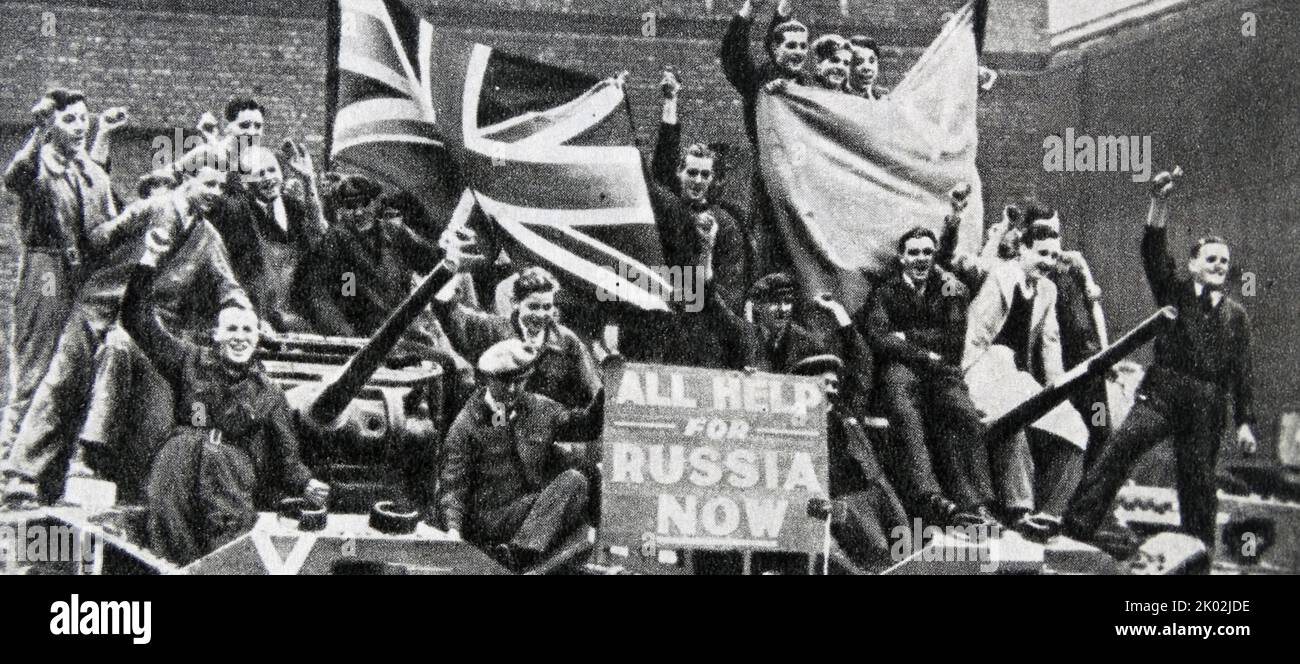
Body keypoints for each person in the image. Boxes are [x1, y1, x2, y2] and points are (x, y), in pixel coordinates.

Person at [2, 166, 250, 505]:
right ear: (188, 179)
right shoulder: (153, 208)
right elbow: (100, 238)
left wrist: (241, 312)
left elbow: (229, 286)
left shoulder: (208, 237)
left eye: (221, 186)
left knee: (123, 365)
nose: (215, 192)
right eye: (209, 183)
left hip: (147, 325)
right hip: (99, 307)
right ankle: (22, 476)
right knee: (61, 383)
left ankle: (88, 467)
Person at [1065, 169, 1258, 556]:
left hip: (1207, 404)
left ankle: (1196, 554)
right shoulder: (1175, 290)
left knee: (1199, 481)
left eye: (1224, 260)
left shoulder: (1237, 316)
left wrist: (1245, 423)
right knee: (1120, 449)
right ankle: (1076, 529)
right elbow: (1152, 251)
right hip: (1163, 392)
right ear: (1192, 264)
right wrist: (1159, 201)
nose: (1219, 265)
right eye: (1211, 258)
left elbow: (1242, 374)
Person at [121, 225, 328, 565]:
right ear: (216, 334)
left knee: (227, 554)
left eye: (247, 330)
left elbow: (287, 457)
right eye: (231, 328)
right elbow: (137, 319)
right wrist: (150, 259)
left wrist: (307, 484)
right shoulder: (188, 360)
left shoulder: (270, 393)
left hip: (229, 472)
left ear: (257, 337)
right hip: (179, 462)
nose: (239, 337)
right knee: (167, 548)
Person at [0, 90, 125, 461]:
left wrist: (103, 132)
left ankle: (45, 457)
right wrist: (37, 131)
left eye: (82, 118)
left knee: (69, 359)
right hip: (46, 271)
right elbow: (16, 177)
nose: (78, 126)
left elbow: (94, 185)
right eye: (69, 120)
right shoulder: (41, 163)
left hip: (75, 272)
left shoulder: (78, 164)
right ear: (51, 126)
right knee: (39, 356)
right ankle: (10, 452)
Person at [960, 223, 1090, 539]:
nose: (1047, 261)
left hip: (1018, 375)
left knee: (1075, 427)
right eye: (1041, 253)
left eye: (1054, 255)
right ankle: (1021, 510)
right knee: (1014, 418)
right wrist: (963, 381)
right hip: (985, 368)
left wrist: (1059, 390)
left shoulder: (1048, 290)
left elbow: (1050, 342)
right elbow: (975, 335)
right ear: (1023, 249)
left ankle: (1050, 512)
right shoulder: (1000, 276)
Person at [864, 227, 998, 527]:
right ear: (902, 258)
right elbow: (879, 338)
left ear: (934, 254)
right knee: (903, 409)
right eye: (914, 252)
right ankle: (931, 497)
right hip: (905, 369)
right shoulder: (886, 292)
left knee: (963, 414)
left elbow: (952, 342)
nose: (921, 259)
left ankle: (980, 504)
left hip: (941, 372)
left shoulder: (949, 287)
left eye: (927, 252)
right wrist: (924, 353)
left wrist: (907, 335)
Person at [436, 338, 603, 572]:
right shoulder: (466, 425)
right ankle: (519, 557)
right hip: (490, 521)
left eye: (520, 381)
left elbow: (586, 426)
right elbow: (453, 487)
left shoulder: (540, 409)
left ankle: (518, 556)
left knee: (576, 481)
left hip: (532, 513)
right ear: (487, 380)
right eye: (504, 383)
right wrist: (453, 533)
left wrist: (606, 392)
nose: (513, 390)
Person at [790, 354, 908, 573]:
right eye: (825, 383)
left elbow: (863, 368)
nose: (832, 389)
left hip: (878, 490)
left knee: (905, 549)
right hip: (846, 499)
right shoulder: (797, 424)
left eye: (835, 384)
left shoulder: (845, 412)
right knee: (878, 556)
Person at [720, 0, 808, 277]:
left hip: (808, 181)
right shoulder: (760, 82)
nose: (798, 52)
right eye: (790, 46)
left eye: (802, 46)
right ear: (775, 49)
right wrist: (750, 9)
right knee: (773, 249)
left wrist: (782, 12)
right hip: (772, 182)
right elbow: (734, 57)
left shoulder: (809, 86)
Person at [434, 265, 601, 410]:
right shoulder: (492, 329)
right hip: (500, 425)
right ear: (515, 303)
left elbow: (592, 394)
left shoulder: (567, 341)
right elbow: (453, 316)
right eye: (533, 307)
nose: (541, 315)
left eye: (547, 307)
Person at [650, 69, 750, 309]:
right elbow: (664, 159)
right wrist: (671, 100)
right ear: (679, 173)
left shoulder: (723, 222)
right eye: (692, 173)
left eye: (705, 174)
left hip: (705, 311)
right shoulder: (667, 209)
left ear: (713, 178)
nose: (698, 180)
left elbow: (730, 280)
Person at [210, 143, 327, 332]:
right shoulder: (237, 212)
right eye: (259, 174)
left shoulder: (294, 208)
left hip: (297, 317)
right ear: (246, 183)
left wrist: (308, 181)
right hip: (256, 319)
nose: (269, 178)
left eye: (272, 170)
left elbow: (321, 239)